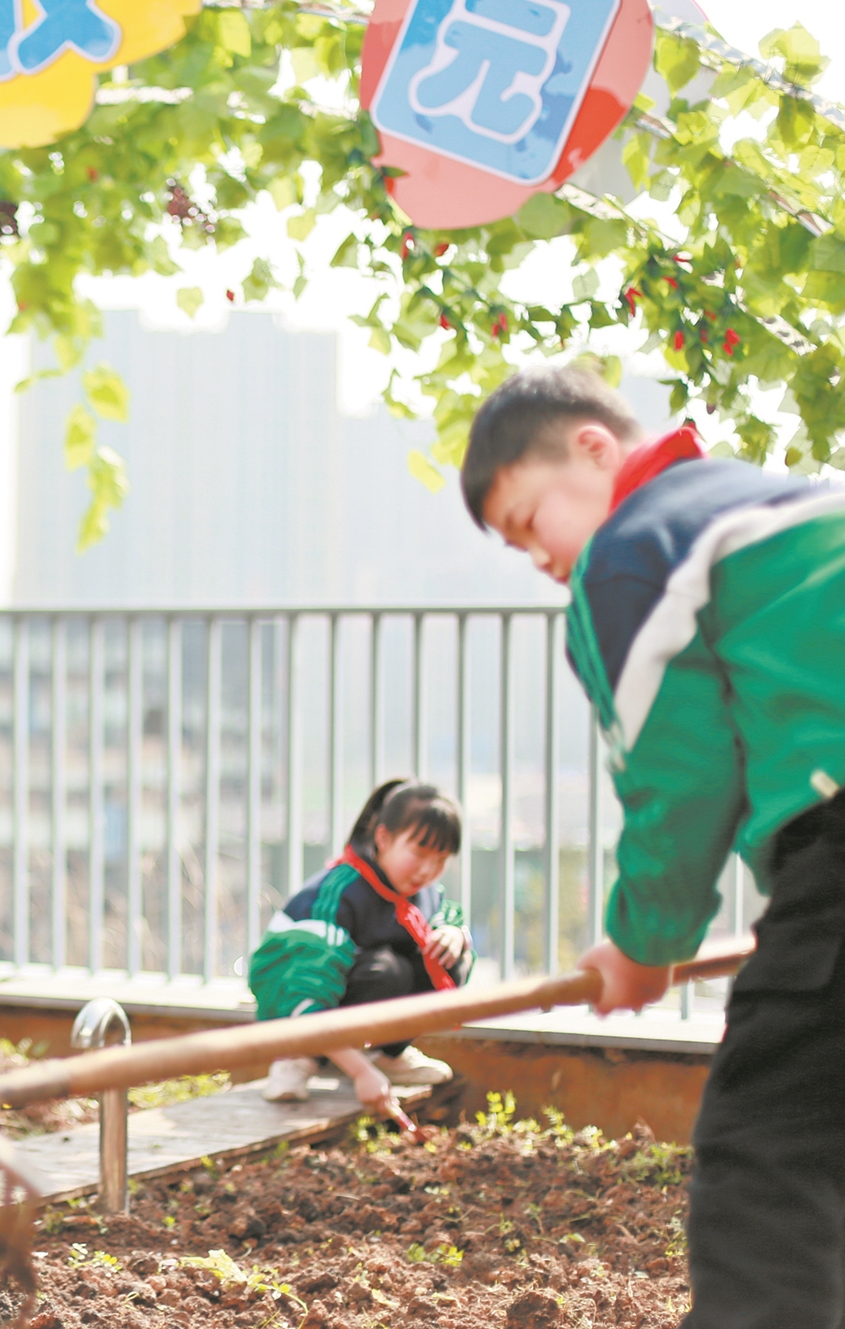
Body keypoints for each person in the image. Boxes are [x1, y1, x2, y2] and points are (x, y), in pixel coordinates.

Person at [462, 360, 845, 1328]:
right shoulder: (782, 506)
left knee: (770, 1142)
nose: (541, 561)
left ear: (593, 448)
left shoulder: (633, 551)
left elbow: (677, 778)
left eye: (527, 523)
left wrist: (642, 944)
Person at [248, 779, 471, 1112]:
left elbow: (445, 914)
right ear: (383, 838)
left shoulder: (419, 889)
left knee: (447, 958)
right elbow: (304, 994)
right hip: (293, 1009)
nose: (428, 870)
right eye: (419, 853)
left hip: (343, 998)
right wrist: (360, 1073)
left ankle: (386, 1053)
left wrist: (455, 933)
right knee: (386, 973)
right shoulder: (336, 895)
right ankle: (298, 1057)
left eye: (441, 859)